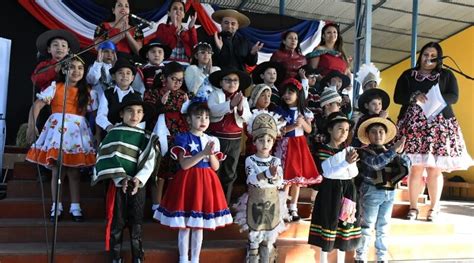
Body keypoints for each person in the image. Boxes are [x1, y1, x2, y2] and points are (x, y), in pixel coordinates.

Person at [394, 41, 473, 222]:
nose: (428, 58)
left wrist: (434, 99)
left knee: (435, 170)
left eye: (432, 56)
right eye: (425, 55)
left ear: (438, 59)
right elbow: (398, 97)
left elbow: (454, 96)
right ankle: (413, 208)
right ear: (420, 56)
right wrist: (414, 97)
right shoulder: (408, 75)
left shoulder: (446, 75)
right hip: (414, 126)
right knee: (415, 169)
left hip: (439, 125)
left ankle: (434, 208)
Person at [154, 101, 233, 263]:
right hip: (188, 181)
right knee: (185, 225)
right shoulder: (183, 138)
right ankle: (183, 258)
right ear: (189, 120)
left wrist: (210, 154)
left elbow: (216, 166)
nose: (203, 120)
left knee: (199, 225)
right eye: (198, 117)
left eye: (206, 117)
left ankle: (195, 259)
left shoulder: (212, 139)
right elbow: (184, 164)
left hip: (206, 182)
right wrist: (203, 153)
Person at [26, 55, 98, 222]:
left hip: (77, 132)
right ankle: (56, 206)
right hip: (58, 131)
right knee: (57, 171)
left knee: (74, 172)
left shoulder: (87, 91)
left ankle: (75, 207)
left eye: (80, 68)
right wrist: (32, 125)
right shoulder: (55, 87)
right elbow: (37, 104)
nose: (76, 71)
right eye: (72, 67)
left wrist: (97, 135)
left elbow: (94, 114)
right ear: (64, 70)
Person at [92, 93, 160, 263]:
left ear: (143, 115)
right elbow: (106, 156)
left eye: (139, 112)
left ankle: (137, 256)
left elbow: (150, 161)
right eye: (130, 111)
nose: (134, 115)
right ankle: (115, 257)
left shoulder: (147, 136)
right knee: (118, 222)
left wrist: (139, 179)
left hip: (138, 186)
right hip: (117, 186)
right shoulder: (114, 133)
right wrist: (120, 178)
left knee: (136, 222)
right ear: (121, 114)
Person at [354, 117, 411, 263]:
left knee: (384, 226)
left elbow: (407, 166)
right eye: (373, 132)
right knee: (367, 225)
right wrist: (393, 151)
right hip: (371, 191)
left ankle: (381, 257)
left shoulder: (390, 151)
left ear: (385, 135)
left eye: (381, 132)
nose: (378, 135)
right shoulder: (363, 152)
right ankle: (361, 256)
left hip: (390, 191)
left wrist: (401, 152)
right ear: (367, 136)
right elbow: (376, 164)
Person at [233, 111, 287, 263]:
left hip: (272, 201)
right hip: (256, 201)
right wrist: (267, 175)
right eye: (261, 140)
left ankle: (266, 258)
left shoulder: (276, 161)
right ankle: (252, 257)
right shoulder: (250, 160)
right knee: (255, 235)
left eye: (269, 140)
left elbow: (279, 182)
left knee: (268, 237)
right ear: (254, 142)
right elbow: (252, 180)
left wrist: (272, 177)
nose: (265, 144)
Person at [308, 112, 361, 263]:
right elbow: (328, 172)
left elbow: (354, 172)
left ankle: (340, 260)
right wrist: (345, 163)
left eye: (346, 130)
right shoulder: (324, 150)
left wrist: (347, 164)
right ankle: (323, 260)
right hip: (330, 191)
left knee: (344, 224)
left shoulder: (349, 150)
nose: (344, 133)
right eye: (340, 129)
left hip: (348, 191)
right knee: (328, 223)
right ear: (330, 130)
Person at [274, 78, 321, 221]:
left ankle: (293, 207)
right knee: (285, 178)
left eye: (291, 92)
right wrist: (294, 126)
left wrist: (302, 123)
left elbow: (309, 130)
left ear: (298, 94)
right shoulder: (280, 110)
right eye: (285, 93)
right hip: (285, 144)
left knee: (297, 179)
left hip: (299, 146)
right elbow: (280, 130)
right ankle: (281, 208)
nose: (287, 95)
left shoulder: (304, 112)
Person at [145, 61, 189, 210]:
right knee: (159, 169)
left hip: (178, 135)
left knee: (176, 170)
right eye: (173, 79)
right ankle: (156, 205)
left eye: (180, 80)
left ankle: (173, 203)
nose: (177, 83)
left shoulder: (183, 95)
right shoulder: (153, 93)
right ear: (164, 78)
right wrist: (159, 105)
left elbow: (187, 115)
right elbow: (146, 114)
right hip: (158, 134)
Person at [207, 68, 252, 203]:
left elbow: (248, 118)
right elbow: (212, 111)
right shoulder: (215, 95)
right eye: (228, 80)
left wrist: (239, 108)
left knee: (230, 173)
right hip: (217, 138)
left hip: (235, 140)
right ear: (221, 83)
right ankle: (210, 203)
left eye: (235, 81)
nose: (232, 83)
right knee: (214, 171)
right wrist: (230, 105)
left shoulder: (242, 98)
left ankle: (224, 204)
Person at [96, 58, 141, 135]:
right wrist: (109, 127)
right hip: (110, 134)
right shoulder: (107, 93)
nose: (124, 76)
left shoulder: (137, 96)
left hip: (130, 134)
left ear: (132, 78)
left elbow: (139, 117)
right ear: (113, 76)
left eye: (128, 73)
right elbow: (100, 116)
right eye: (120, 73)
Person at [245, 84, 273, 156]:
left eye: (269, 96)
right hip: (253, 149)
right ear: (256, 97)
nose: (267, 98)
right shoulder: (250, 114)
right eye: (263, 95)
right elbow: (248, 131)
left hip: (268, 151)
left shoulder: (270, 114)